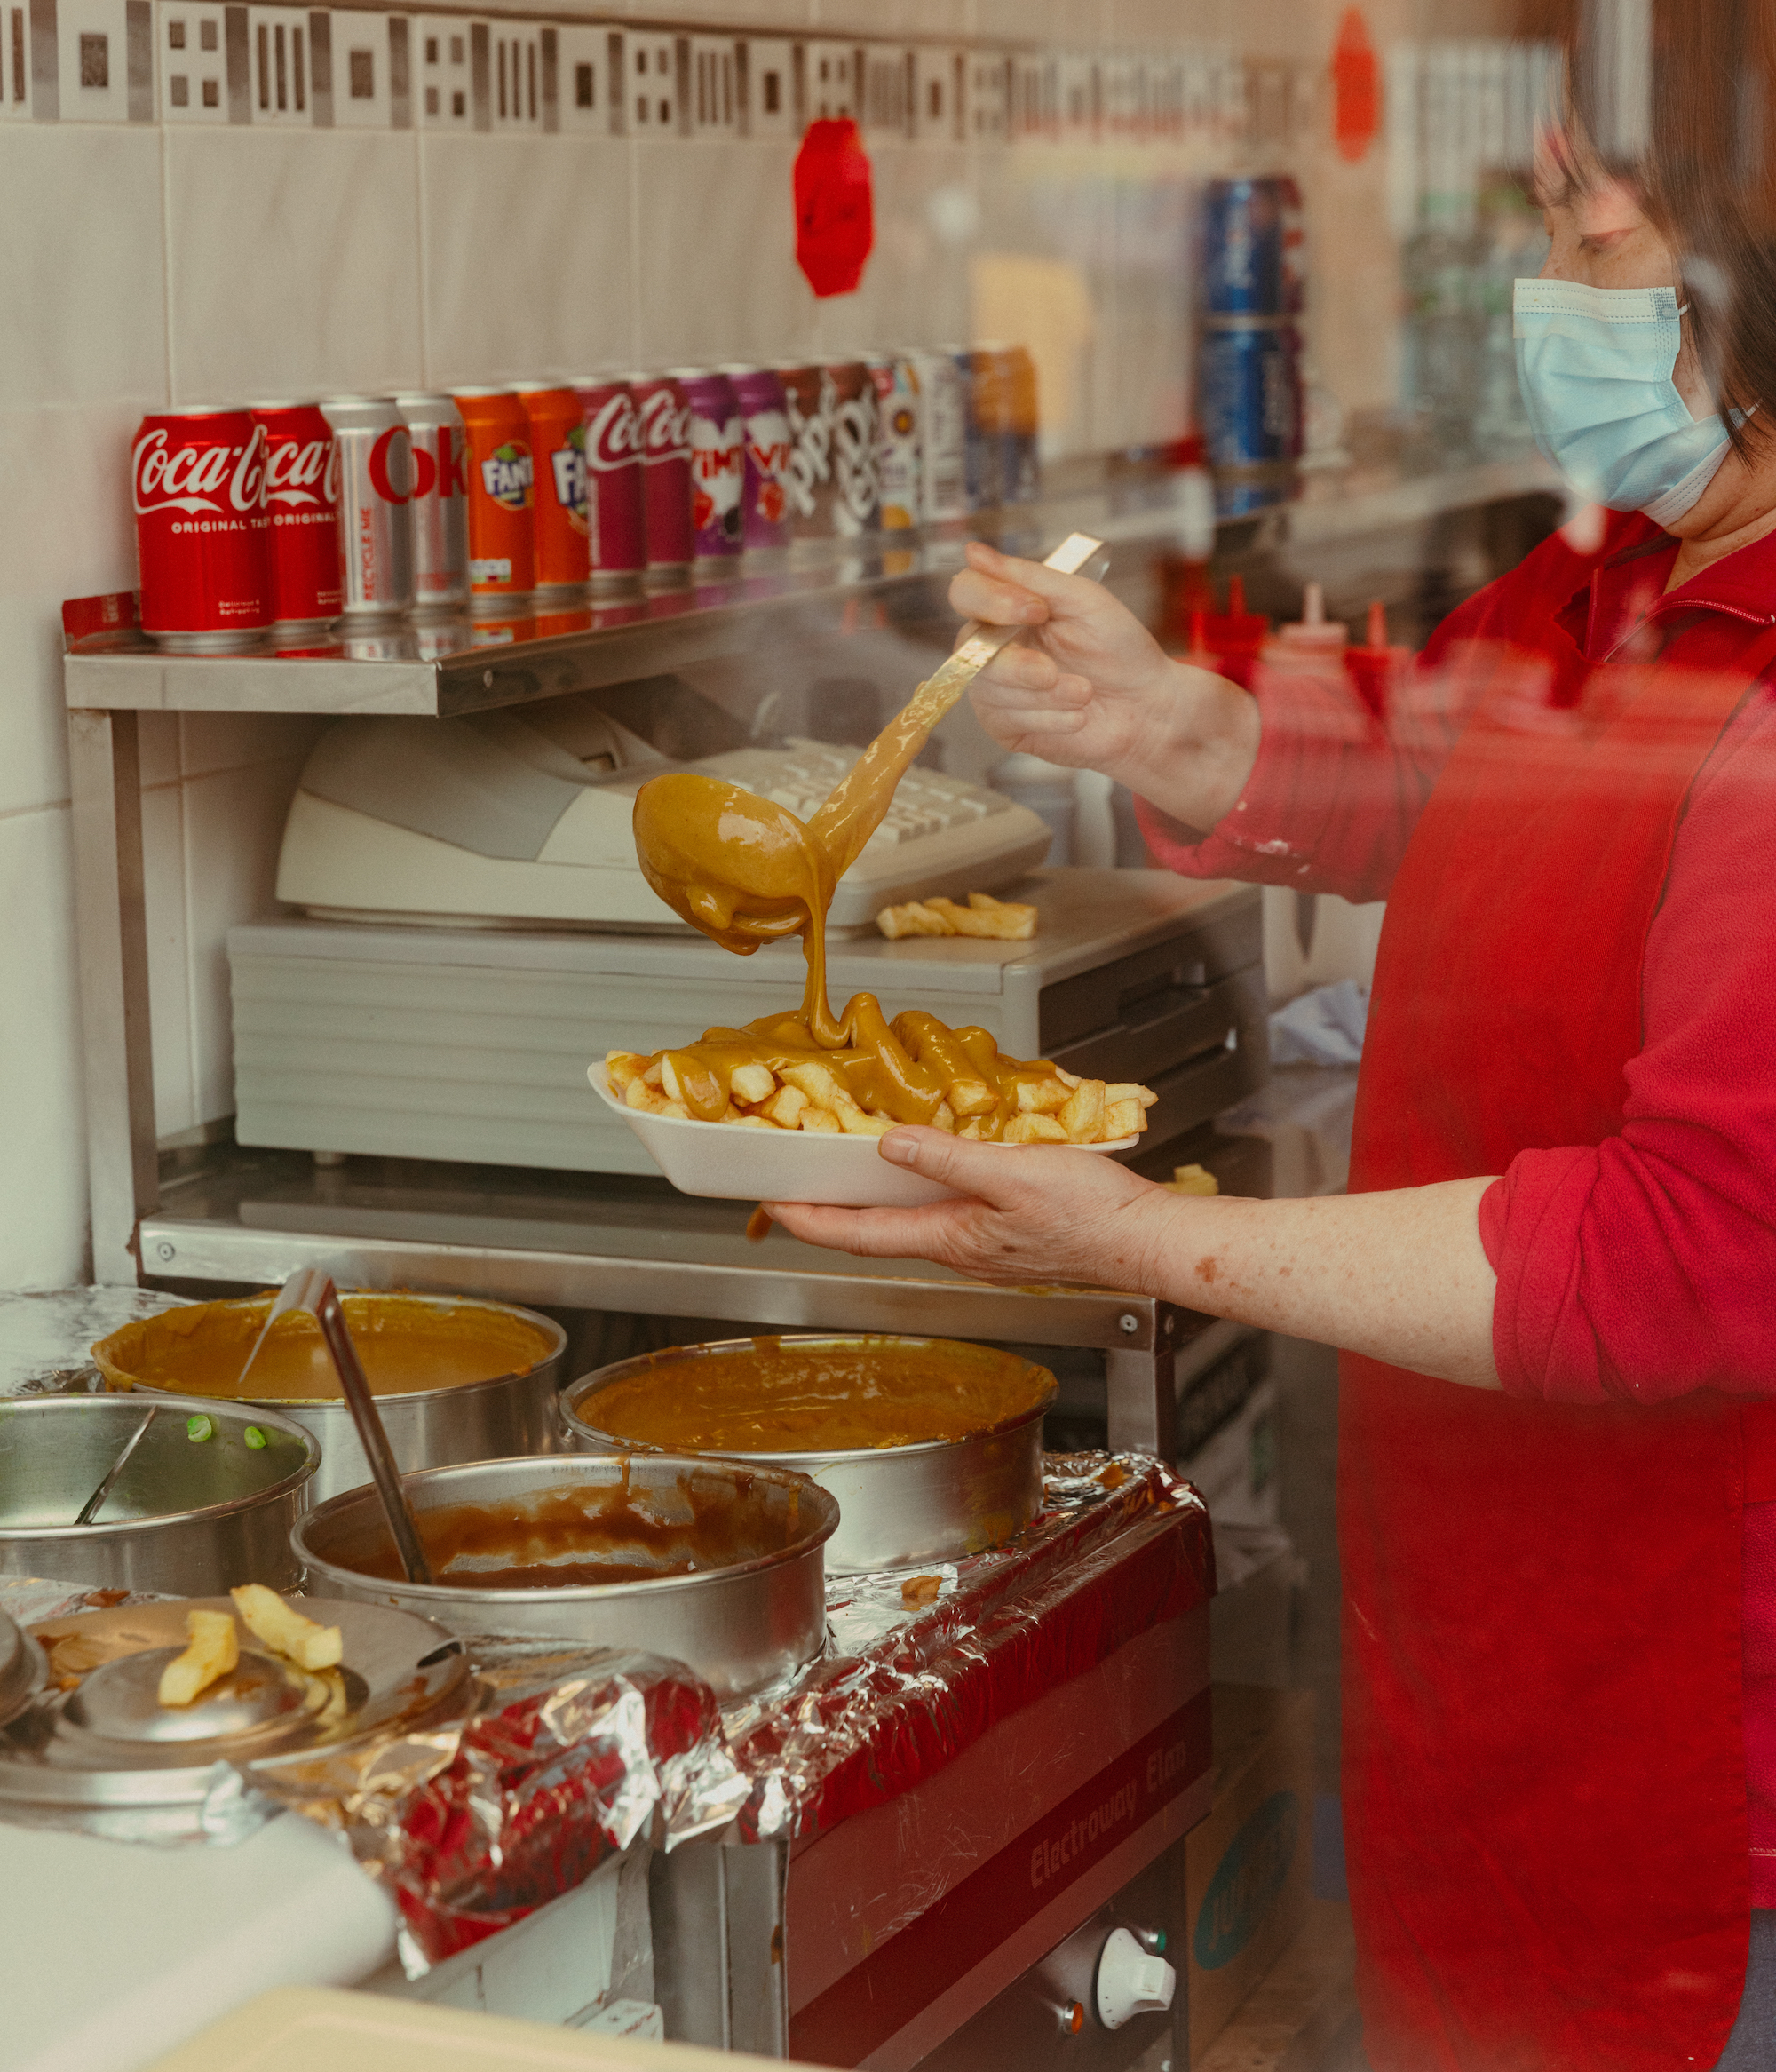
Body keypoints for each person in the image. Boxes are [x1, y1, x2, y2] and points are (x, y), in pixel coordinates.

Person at [766, 16, 1776, 2069]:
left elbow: (1695, 1250)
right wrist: (1161, 720)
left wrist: (1138, 1239)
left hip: (1696, 1719)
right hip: (1485, 1623)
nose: (1547, 294)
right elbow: (1458, 775)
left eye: (1598, 240)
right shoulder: (1639, 596)